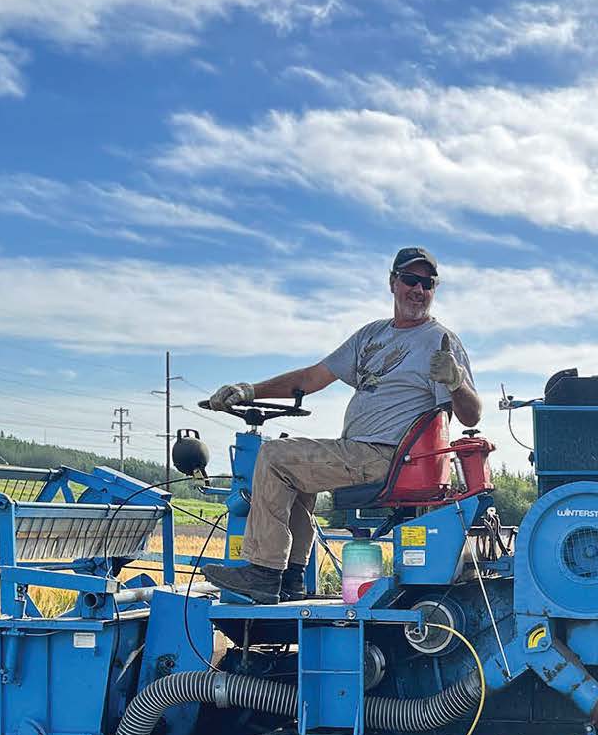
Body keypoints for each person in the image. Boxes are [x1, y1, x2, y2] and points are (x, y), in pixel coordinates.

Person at [202, 247, 480, 602]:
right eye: (411, 280)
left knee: (274, 457)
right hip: (361, 452)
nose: (419, 290)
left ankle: (262, 570)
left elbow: (470, 416)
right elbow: (312, 377)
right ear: (393, 282)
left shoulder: (438, 342)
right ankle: (290, 577)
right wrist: (249, 390)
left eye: (428, 283)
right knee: (295, 474)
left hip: (388, 457)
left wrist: (457, 383)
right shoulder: (371, 336)